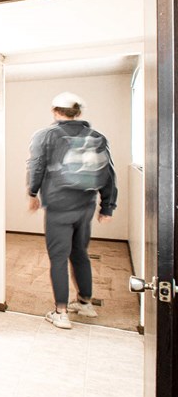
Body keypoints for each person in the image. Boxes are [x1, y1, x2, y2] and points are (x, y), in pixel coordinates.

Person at [26, 92, 117, 329]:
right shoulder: (97, 136)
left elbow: (36, 167)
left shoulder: (46, 136)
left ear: (55, 111)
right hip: (85, 206)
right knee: (80, 253)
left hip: (58, 206)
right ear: (79, 112)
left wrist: (33, 193)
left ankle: (61, 312)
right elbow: (108, 174)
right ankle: (85, 303)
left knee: (58, 258)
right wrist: (107, 206)